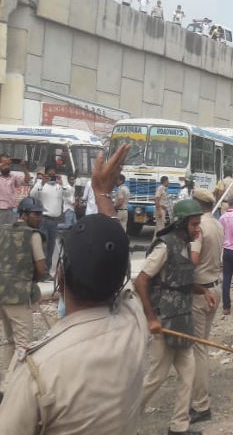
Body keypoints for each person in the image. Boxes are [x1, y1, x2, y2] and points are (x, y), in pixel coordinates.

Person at [0, 144, 151, 434]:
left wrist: (99, 192)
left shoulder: (37, 370)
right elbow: (122, 269)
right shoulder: (135, 325)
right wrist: (103, 196)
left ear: (60, 274)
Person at [135, 198, 215, 435]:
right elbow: (141, 280)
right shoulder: (164, 247)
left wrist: (204, 291)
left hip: (183, 320)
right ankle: (123, 419)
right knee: (156, 378)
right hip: (165, 322)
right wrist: (151, 318)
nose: (197, 229)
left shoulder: (185, 245)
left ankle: (179, 427)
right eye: (194, 224)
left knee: (188, 373)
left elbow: (181, 283)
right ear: (181, 223)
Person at [0, 196, 46, 393]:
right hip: (18, 296)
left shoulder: (2, 230)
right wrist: (31, 280)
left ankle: (4, 382)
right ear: (24, 215)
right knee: (23, 344)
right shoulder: (33, 235)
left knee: (10, 340)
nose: (40, 218)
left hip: (2, 293)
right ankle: (12, 388)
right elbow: (41, 268)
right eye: (36, 214)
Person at [188, 189, 224, 425]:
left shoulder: (199, 227)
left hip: (201, 292)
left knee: (198, 350)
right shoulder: (218, 224)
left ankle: (201, 405)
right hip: (215, 288)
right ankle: (198, 399)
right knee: (202, 346)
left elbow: (192, 260)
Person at [30, 164, 72, 280]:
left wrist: (62, 183)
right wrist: (41, 182)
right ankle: (39, 272)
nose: (52, 177)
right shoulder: (41, 185)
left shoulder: (59, 187)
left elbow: (69, 193)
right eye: (50, 175)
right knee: (42, 247)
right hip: (43, 219)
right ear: (45, 175)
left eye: (54, 175)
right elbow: (32, 195)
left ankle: (46, 272)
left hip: (54, 221)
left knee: (51, 247)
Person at [0, 154, 31, 225]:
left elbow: (27, 179)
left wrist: (24, 168)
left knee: (11, 232)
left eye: (8, 164)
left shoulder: (13, 177)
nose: (6, 166)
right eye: (4, 163)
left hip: (11, 210)